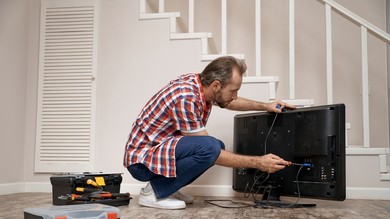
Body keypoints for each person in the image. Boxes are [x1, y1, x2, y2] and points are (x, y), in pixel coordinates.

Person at [123, 56, 295, 210]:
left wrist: (266, 106)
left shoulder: (201, 85)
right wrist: (259, 163)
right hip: (141, 162)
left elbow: (227, 101)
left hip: (156, 152)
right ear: (216, 85)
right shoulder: (186, 97)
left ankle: (168, 188)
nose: (235, 96)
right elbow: (212, 152)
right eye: (233, 90)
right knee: (211, 148)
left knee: (215, 146)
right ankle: (152, 193)